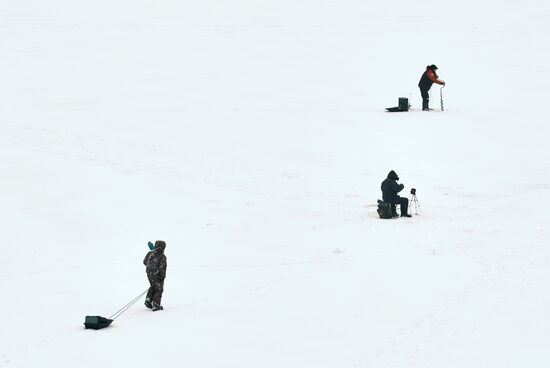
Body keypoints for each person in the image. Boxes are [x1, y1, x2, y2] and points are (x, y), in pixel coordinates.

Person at [144, 240, 167, 311]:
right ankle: (156, 305)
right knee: (159, 289)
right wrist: (162, 276)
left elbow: (144, 261)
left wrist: (150, 267)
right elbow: (162, 267)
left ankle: (148, 299)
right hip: (157, 273)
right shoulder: (162, 256)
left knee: (153, 286)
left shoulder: (150, 253)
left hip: (149, 273)